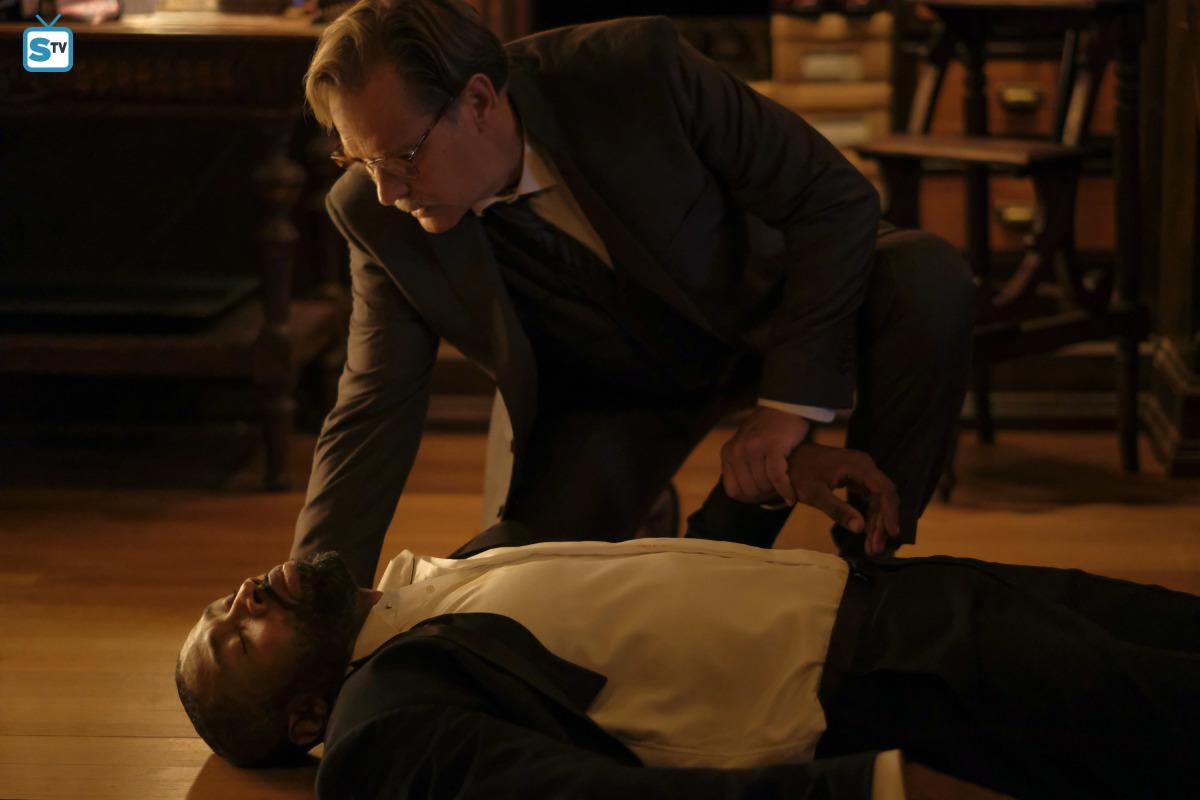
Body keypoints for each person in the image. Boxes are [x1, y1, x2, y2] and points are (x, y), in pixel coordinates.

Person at [291, 0, 976, 588]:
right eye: (360, 160)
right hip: (611, 392)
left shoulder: (633, 70)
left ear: (477, 101)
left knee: (926, 276)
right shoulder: (371, 212)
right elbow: (372, 408)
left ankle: (870, 573)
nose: (387, 190)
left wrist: (786, 410)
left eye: (402, 158)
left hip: (769, 307)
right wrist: (311, 603)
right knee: (517, 585)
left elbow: (831, 197)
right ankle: (707, 528)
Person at [177, 518, 1200, 798]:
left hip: (894, 591)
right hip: (884, 676)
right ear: (305, 717)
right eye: (234, 640)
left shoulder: (430, 579)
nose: (239, 600)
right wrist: (868, 790)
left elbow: (650, 593)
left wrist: (763, 486)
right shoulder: (382, 718)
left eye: (220, 603)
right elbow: (592, 797)